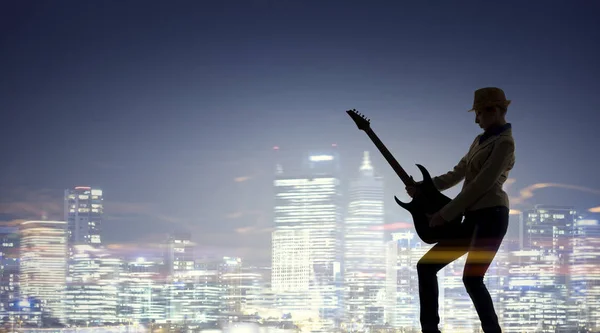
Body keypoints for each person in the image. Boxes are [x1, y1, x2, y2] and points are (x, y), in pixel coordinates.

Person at [405, 87, 516, 333]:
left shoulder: (505, 144)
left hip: (492, 217)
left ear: (493, 110)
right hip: (472, 217)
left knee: (472, 279)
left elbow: (481, 184)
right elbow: (457, 173)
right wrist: (423, 187)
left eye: (478, 113)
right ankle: (430, 329)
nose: (476, 120)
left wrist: (445, 214)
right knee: (426, 266)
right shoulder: (480, 140)